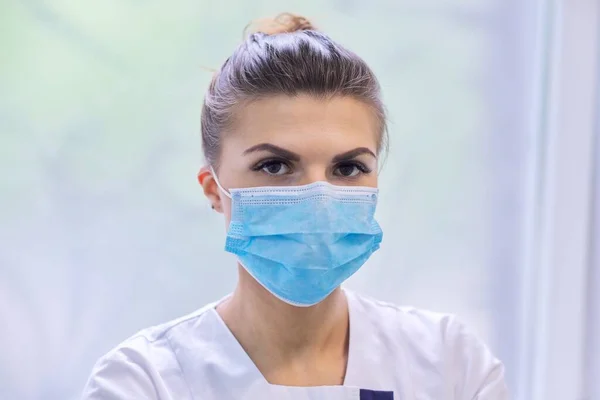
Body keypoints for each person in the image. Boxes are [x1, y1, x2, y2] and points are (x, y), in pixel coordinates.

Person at [81, 13, 509, 400]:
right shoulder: (146, 381)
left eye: (348, 168)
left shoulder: (450, 366)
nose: (318, 199)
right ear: (213, 189)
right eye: (275, 165)